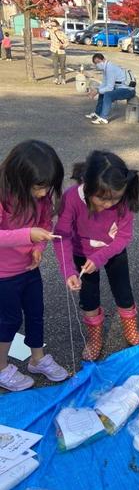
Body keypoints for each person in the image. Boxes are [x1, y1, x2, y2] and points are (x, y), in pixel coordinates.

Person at [54, 150, 139, 361]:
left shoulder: (123, 199)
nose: (108, 205)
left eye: (114, 199)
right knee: (89, 299)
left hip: (112, 251)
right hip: (81, 253)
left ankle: (130, 331)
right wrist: (69, 270)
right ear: (87, 186)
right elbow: (61, 236)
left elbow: (123, 237)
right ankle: (95, 339)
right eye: (102, 199)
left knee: (124, 292)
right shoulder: (71, 198)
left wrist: (99, 258)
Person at [0, 140, 68, 391]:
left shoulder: (42, 198)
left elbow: (45, 224)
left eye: (48, 187)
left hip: (28, 269)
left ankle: (38, 359)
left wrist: (38, 249)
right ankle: (1, 367)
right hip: (3, 275)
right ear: (19, 178)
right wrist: (28, 235)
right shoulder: (3, 198)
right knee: (8, 320)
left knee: (36, 312)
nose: (44, 193)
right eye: (40, 187)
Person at [87, 53, 135, 125]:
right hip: (120, 88)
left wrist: (97, 91)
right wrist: (96, 90)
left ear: (103, 59)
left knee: (107, 94)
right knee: (102, 91)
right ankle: (97, 113)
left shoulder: (110, 68)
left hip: (128, 90)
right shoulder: (106, 68)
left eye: (98, 62)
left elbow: (109, 88)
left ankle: (103, 118)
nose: (98, 65)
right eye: (96, 63)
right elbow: (104, 84)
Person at [49, 20, 68, 85]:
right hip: (54, 50)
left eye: (54, 25)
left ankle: (63, 79)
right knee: (55, 66)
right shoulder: (51, 32)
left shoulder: (62, 33)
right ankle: (56, 78)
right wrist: (50, 23)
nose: (53, 27)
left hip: (62, 52)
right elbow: (43, 26)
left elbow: (67, 42)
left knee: (62, 66)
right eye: (52, 26)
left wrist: (63, 45)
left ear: (57, 26)